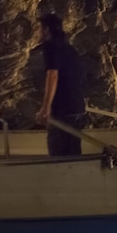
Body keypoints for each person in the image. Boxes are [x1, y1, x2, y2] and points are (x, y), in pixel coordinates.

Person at [35, 13, 86, 155]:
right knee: (73, 153)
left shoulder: (50, 47)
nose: (38, 32)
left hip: (62, 110)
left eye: (39, 28)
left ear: (46, 30)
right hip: (77, 107)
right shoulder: (70, 49)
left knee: (58, 155)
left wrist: (45, 108)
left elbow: (52, 75)